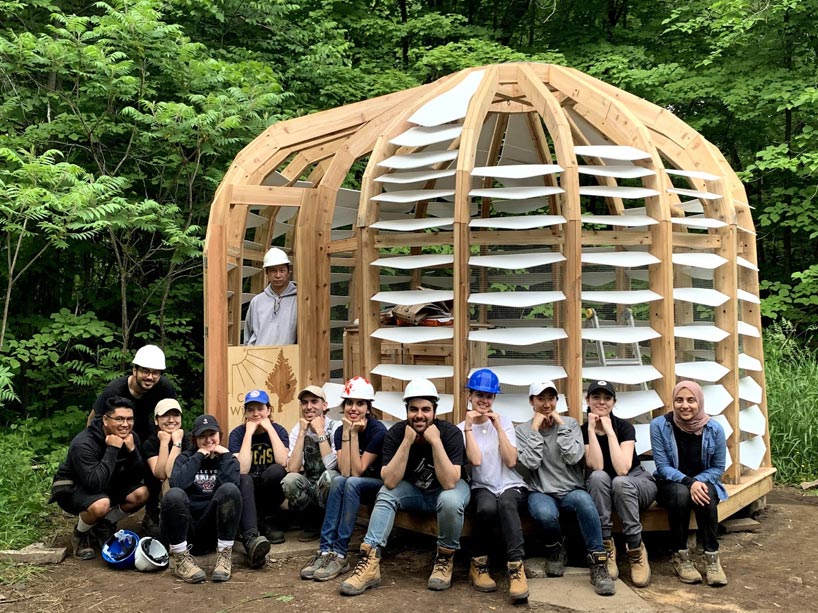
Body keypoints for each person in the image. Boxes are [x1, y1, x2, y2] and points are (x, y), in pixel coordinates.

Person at [339, 378, 470, 596]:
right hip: (415, 492)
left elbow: (449, 482)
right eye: (413, 409)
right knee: (386, 493)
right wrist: (407, 443)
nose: (419, 415)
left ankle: (444, 559)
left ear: (435, 412)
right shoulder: (397, 433)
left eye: (426, 409)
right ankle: (370, 562)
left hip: (447, 490)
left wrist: (436, 442)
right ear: (406, 411)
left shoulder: (450, 433)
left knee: (450, 500)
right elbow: (390, 481)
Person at [515, 380, 616, 596]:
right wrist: (534, 429)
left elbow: (573, 457)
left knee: (586, 503)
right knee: (544, 513)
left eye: (551, 398)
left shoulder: (570, 424)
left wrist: (561, 426)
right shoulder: (522, 430)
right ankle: (555, 549)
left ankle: (599, 563)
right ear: (531, 401)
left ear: (557, 401)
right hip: (540, 491)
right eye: (540, 399)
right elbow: (530, 463)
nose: (546, 404)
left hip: (571, 489)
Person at [301, 376, 387, 582]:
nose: (353, 408)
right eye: (349, 403)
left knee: (351, 483)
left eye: (359, 403)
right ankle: (325, 551)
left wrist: (354, 434)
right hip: (352, 482)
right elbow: (345, 471)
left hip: (376, 485)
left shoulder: (378, 431)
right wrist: (348, 432)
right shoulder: (341, 430)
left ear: (368, 407)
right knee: (339, 481)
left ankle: (340, 554)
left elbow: (357, 472)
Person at [90, 344, 177, 535]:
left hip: (146, 436)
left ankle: (152, 515)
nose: (150, 377)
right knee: (106, 477)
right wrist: (96, 445)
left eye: (155, 373)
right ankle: (92, 521)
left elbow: (171, 416)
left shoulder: (164, 387)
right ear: (134, 370)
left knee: (153, 468)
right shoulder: (115, 390)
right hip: (116, 436)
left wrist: (169, 439)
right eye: (145, 371)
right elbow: (95, 419)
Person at [458, 369, 529, 602]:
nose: (484, 401)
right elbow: (475, 461)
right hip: (483, 486)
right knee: (486, 508)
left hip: (510, 484)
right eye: (479, 394)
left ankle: (516, 569)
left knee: (507, 503)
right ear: (470, 395)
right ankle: (478, 564)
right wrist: (469, 427)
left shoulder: (505, 422)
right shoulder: (461, 428)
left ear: (495, 399)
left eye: (489, 396)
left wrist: (498, 428)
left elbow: (510, 460)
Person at [650, 380, 728, 587]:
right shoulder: (659, 425)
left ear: (699, 402)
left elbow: (718, 468)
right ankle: (680, 556)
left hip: (702, 481)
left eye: (691, 400)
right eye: (679, 400)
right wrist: (689, 482)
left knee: (706, 495)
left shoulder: (715, 429)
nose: (685, 405)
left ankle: (711, 557)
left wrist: (697, 482)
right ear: (673, 402)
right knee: (680, 494)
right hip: (670, 483)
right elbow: (663, 466)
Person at [50, 397, 149, 560]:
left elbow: (138, 476)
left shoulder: (131, 437)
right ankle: (80, 533)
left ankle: (105, 525)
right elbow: (94, 483)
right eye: (119, 419)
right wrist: (112, 449)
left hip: (107, 484)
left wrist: (132, 451)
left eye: (129, 419)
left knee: (141, 493)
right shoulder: (83, 443)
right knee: (101, 505)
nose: (125, 424)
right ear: (105, 419)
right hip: (75, 489)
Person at [581, 380, 656, 587]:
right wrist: (590, 430)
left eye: (607, 398)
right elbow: (596, 465)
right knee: (597, 477)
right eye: (596, 397)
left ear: (614, 402)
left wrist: (610, 432)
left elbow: (623, 468)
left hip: (636, 482)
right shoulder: (582, 430)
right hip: (605, 490)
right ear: (587, 400)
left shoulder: (624, 427)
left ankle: (635, 548)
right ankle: (605, 545)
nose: (602, 402)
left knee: (621, 481)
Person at [162, 414, 242, 584]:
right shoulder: (185, 458)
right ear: (195, 439)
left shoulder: (228, 459)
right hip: (187, 528)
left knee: (230, 489)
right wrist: (198, 457)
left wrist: (226, 456)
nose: (208, 440)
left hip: (213, 527)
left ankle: (224, 557)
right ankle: (181, 559)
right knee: (173, 495)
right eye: (202, 436)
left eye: (212, 434)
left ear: (219, 435)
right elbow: (177, 484)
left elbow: (232, 490)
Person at [228, 389, 289, 567]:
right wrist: (249, 433)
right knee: (244, 478)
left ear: (269, 410)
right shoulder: (237, 434)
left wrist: (269, 429)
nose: (256, 414)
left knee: (276, 471)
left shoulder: (279, 430)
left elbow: (282, 461)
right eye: (251, 410)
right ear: (245, 413)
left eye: (260, 409)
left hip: (270, 490)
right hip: (248, 492)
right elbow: (243, 468)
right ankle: (252, 532)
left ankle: (268, 521)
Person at [283, 385, 340, 541]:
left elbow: (332, 466)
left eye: (314, 401)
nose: (309, 407)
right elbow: (293, 468)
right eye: (304, 402)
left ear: (324, 405)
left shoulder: (335, 427)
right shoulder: (297, 429)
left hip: (331, 487)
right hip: (310, 486)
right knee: (289, 481)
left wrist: (320, 432)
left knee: (330, 477)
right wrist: (302, 433)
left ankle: (329, 524)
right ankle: (312, 523)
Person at [244, 247, 297, 346]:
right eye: (273, 271)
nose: (278, 275)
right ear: (266, 273)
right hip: (259, 359)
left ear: (288, 272)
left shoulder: (299, 300)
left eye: (282, 270)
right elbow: (248, 335)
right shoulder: (257, 301)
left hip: (287, 359)